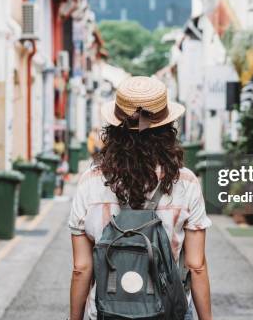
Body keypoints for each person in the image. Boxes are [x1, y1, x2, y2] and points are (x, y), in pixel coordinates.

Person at [68, 76, 213, 320]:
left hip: (107, 312)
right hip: (168, 312)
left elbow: (81, 269)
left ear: (114, 129)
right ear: (167, 130)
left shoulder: (90, 181)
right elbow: (196, 266)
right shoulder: (185, 182)